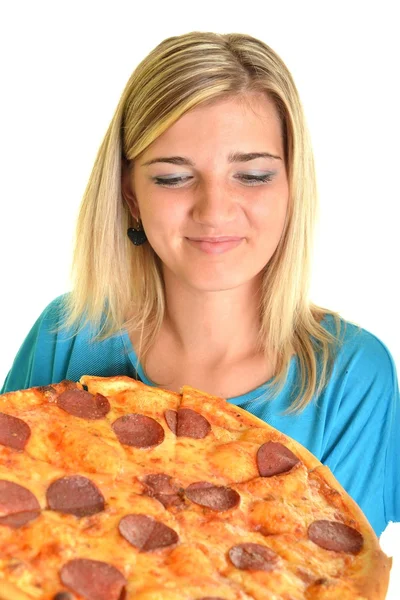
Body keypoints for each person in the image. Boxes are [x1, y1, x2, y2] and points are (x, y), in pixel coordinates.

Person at [1, 31, 398, 538]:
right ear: (129, 193)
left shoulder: (351, 377)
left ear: (293, 187)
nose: (214, 209)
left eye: (252, 175)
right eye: (172, 177)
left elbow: (338, 582)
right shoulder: (68, 332)